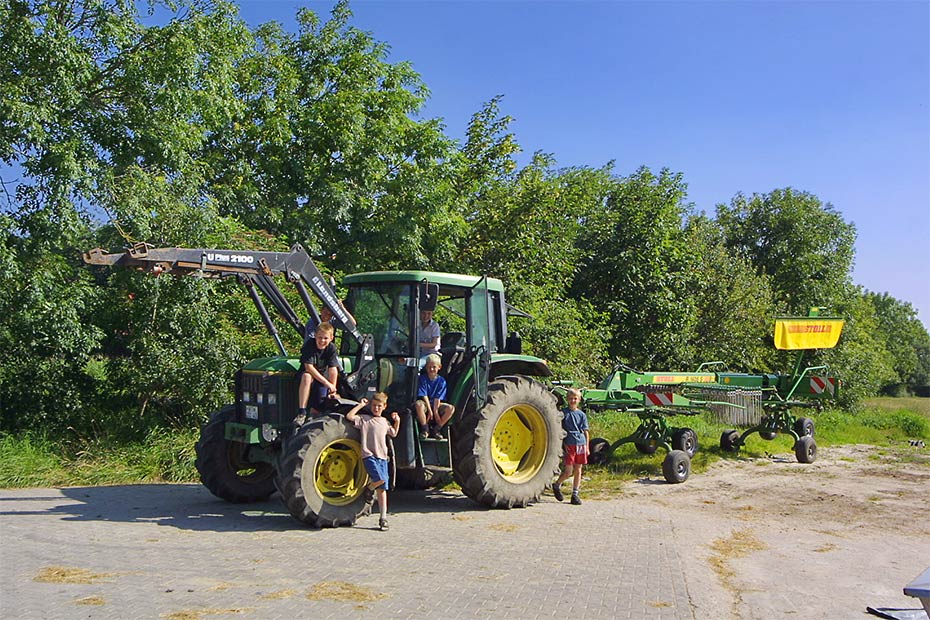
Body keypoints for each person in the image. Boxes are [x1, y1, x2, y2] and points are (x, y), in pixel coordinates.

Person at [345, 393, 399, 531]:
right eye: (374, 405)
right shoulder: (364, 419)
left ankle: (383, 518)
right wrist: (361, 405)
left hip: (382, 458)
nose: (376, 408)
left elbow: (393, 433)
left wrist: (397, 421)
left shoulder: (385, 422)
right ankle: (369, 489)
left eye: (379, 406)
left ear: (384, 407)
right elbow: (349, 417)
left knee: (382, 490)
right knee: (380, 479)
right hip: (369, 455)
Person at [296, 322, 339, 425]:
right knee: (307, 376)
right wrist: (327, 383)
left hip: (321, 379)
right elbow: (309, 367)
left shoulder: (331, 348)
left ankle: (314, 418)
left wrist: (333, 388)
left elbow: (333, 369)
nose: (322, 341)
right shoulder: (309, 345)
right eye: (319, 337)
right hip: (307, 378)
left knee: (321, 401)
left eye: (325, 338)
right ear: (315, 335)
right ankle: (302, 412)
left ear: (331, 338)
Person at [552, 388, 589, 505]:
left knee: (578, 470)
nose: (573, 400)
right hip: (569, 444)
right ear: (567, 399)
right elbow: (560, 431)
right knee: (568, 471)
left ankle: (575, 494)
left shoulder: (582, 415)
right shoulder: (564, 413)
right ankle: (557, 485)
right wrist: (563, 445)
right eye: (571, 398)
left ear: (579, 400)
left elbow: (586, 431)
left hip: (581, 443)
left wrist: (587, 446)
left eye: (575, 399)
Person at [414, 354, 455, 439]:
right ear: (426, 367)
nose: (431, 369)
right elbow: (424, 396)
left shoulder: (441, 381)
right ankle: (425, 429)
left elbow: (437, 398)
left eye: (434, 367)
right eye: (429, 367)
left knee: (451, 408)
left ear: (439, 367)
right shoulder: (423, 379)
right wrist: (430, 410)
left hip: (436, 404)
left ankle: (437, 429)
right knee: (418, 405)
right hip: (426, 403)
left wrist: (435, 412)